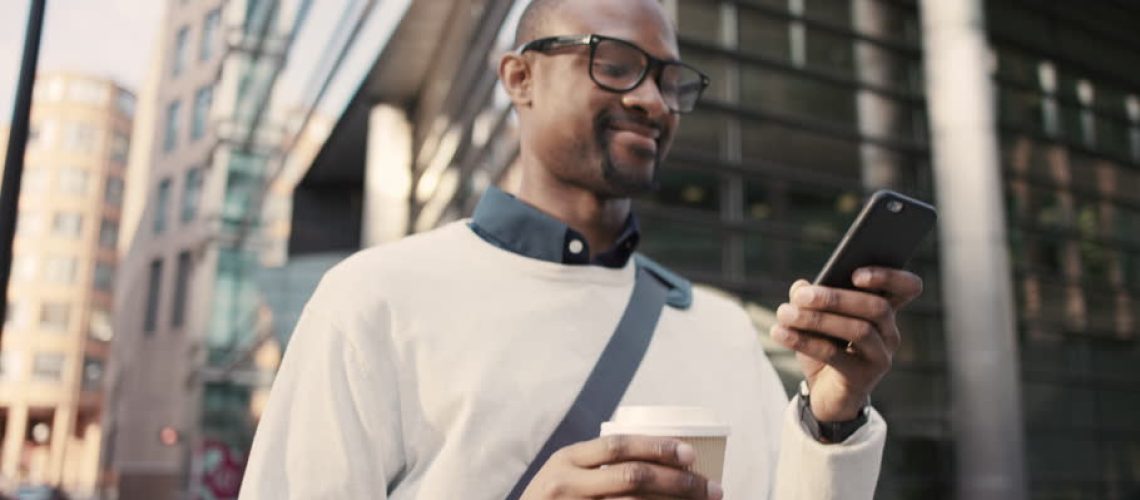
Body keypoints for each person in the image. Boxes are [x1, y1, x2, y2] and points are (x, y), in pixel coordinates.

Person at [239, 0, 923, 498]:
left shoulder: (722, 330)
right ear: (518, 78)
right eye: (617, 65)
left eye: (670, 81)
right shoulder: (374, 299)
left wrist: (832, 420)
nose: (655, 103)